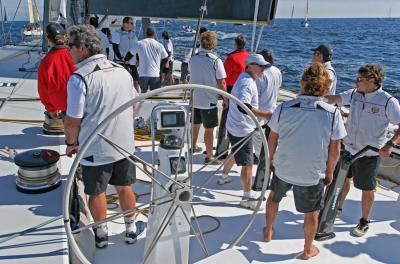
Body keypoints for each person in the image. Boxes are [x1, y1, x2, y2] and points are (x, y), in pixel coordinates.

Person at [64, 25, 145, 249]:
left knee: (97, 191)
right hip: (124, 145)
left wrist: (71, 144)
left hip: (95, 148)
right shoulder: (122, 71)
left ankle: (101, 234)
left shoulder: (79, 79)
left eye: (70, 46)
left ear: (82, 48)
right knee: (125, 187)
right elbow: (133, 107)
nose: (68, 50)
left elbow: (72, 121)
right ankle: (130, 229)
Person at [263, 63, 346, 260]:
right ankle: (307, 250)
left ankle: (268, 231)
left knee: (274, 197)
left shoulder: (283, 108)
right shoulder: (333, 114)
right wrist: (329, 172)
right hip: (311, 173)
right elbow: (335, 150)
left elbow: (272, 139)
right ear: (326, 88)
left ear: (302, 83)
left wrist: (271, 161)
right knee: (311, 213)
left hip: (283, 167)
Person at [326, 64, 400, 237]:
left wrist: (390, 144)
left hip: (368, 153)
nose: (356, 81)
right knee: (342, 180)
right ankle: (337, 208)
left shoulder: (388, 101)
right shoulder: (354, 94)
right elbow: (335, 98)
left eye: (359, 79)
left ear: (372, 80)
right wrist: (315, 96)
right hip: (348, 148)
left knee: (367, 189)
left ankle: (364, 221)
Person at [219, 54, 272, 209]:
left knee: (236, 152)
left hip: (235, 125)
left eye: (264, 66)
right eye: (261, 66)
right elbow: (244, 106)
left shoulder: (244, 78)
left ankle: (223, 176)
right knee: (248, 164)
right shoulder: (247, 83)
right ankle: (246, 198)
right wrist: (266, 115)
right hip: (242, 128)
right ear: (250, 65)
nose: (263, 69)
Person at [189, 31, 227, 164]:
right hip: (209, 100)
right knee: (209, 129)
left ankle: (193, 146)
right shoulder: (215, 60)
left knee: (195, 124)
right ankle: (209, 156)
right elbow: (221, 82)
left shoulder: (192, 58)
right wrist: (225, 99)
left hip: (195, 98)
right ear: (213, 43)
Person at [215, 34, 249, 159]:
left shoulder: (231, 58)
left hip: (230, 91)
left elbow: (224, 78)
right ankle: (237, 149)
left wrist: (224, 96)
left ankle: (222, 151)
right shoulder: (248, 57)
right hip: (243, 91)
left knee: (226, 120)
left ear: (235, 44)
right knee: (240, 120)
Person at [37, 22, 76, 120]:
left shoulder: (45, 62)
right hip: (82, 103)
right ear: (65, 38)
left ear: (48, 39)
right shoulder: (77, 55)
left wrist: (51, 109)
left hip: (63, 107)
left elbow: (43, 90)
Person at [253, 49, 282, 160]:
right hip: (272, 108)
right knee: (269, 135)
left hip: (260, 110)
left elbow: (256, 94)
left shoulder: (261, 74)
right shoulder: (277, 71)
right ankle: (266, 155)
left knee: (255, 134)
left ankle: (260, 156)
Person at [129, 27, 169, 92]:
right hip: (155, 74)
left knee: (143, 94)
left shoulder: (139, 43)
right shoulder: (159, 45)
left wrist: (126, 61)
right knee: (154, 95)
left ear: (146, 34)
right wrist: (163, 72)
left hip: (143, 74)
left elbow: (129, 55)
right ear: (154, 34)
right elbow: (166, 59)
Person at [111, 16, 140, 92]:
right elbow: (115, 48)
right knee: (123, 82)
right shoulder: (117, 33)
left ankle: (138, 98)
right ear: (125, 24)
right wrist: (121, 58)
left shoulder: (133, 34)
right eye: (131, 23)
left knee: (136, 81)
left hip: (132, 62)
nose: (133, 25)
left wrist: (138, 59)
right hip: (122, 62)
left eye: (133, 23)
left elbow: (136, 47)